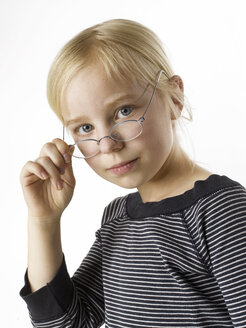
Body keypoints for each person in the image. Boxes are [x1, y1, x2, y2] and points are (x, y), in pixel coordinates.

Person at [19, 19, 246, 328]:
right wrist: (43, 220)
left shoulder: (222, 212)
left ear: (175, 98)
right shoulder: (117, 220)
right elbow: (64, 324)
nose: (108, 144)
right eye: (85, 128)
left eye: (124, 111)